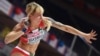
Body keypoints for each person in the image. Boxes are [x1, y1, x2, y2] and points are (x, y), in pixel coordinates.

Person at [4, 2, 97, 56]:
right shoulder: (23, 24)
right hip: (20, 52)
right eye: (38, 15)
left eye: (42, 14)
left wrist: (84, 35)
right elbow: (7, 40)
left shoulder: (44, 22)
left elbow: (65, 27)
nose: (41, 17)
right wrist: (23, 30)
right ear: (31, 15)